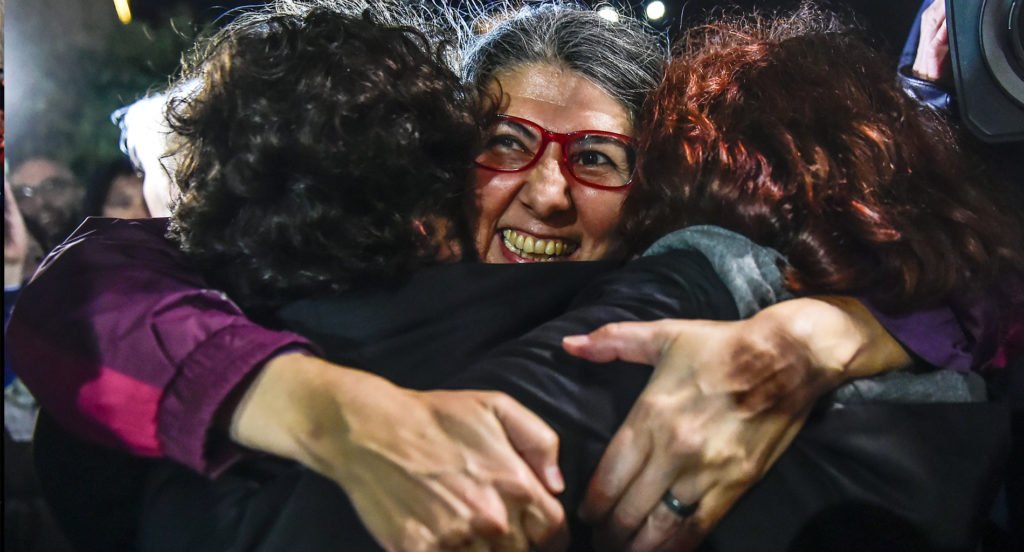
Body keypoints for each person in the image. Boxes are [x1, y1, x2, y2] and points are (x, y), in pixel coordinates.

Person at [6, 0, 1013, 549]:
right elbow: (87, 286)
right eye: (507, 143)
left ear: (655, 192)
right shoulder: (308, 300)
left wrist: (837, 331)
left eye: (596, 158)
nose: (543, 192)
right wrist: (317, 407)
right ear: (438, 155)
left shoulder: (696, 306)